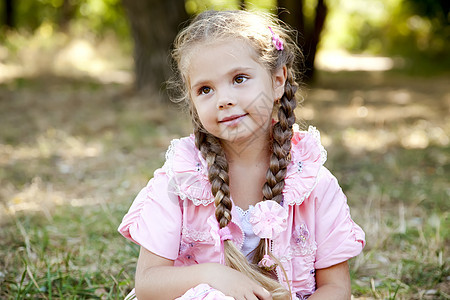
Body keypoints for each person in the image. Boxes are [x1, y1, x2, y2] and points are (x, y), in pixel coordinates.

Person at [118, 10, 365, 300]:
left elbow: (336, 288)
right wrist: (213, 275)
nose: (224, 100)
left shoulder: (313, 183)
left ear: (277, 80)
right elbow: (148, 284)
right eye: (205, 89)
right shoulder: (181, 181)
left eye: (239, 78)